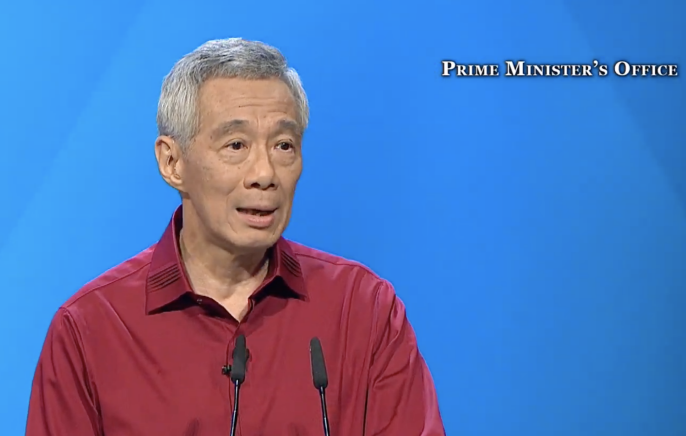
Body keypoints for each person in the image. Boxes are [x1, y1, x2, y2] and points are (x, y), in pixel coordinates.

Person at [25, 37, 445, 436]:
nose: (264, 175)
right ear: (172, 162)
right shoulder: (91, 329)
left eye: (283, 145)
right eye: (236, 145)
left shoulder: (363, 310)